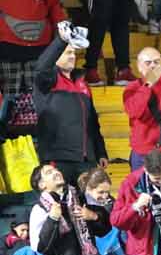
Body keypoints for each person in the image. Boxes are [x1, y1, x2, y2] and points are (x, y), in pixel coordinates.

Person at [34, 25, 108, 179]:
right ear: (56, 56)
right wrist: (61, 40)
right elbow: (41, 67)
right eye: (67, 53)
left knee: (88, 202)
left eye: (74, 52)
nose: (72, 56)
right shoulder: (48, 80)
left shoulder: (82, 83)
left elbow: (92, 122)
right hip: (58, 159)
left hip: (87, 160)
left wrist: (100, 151)